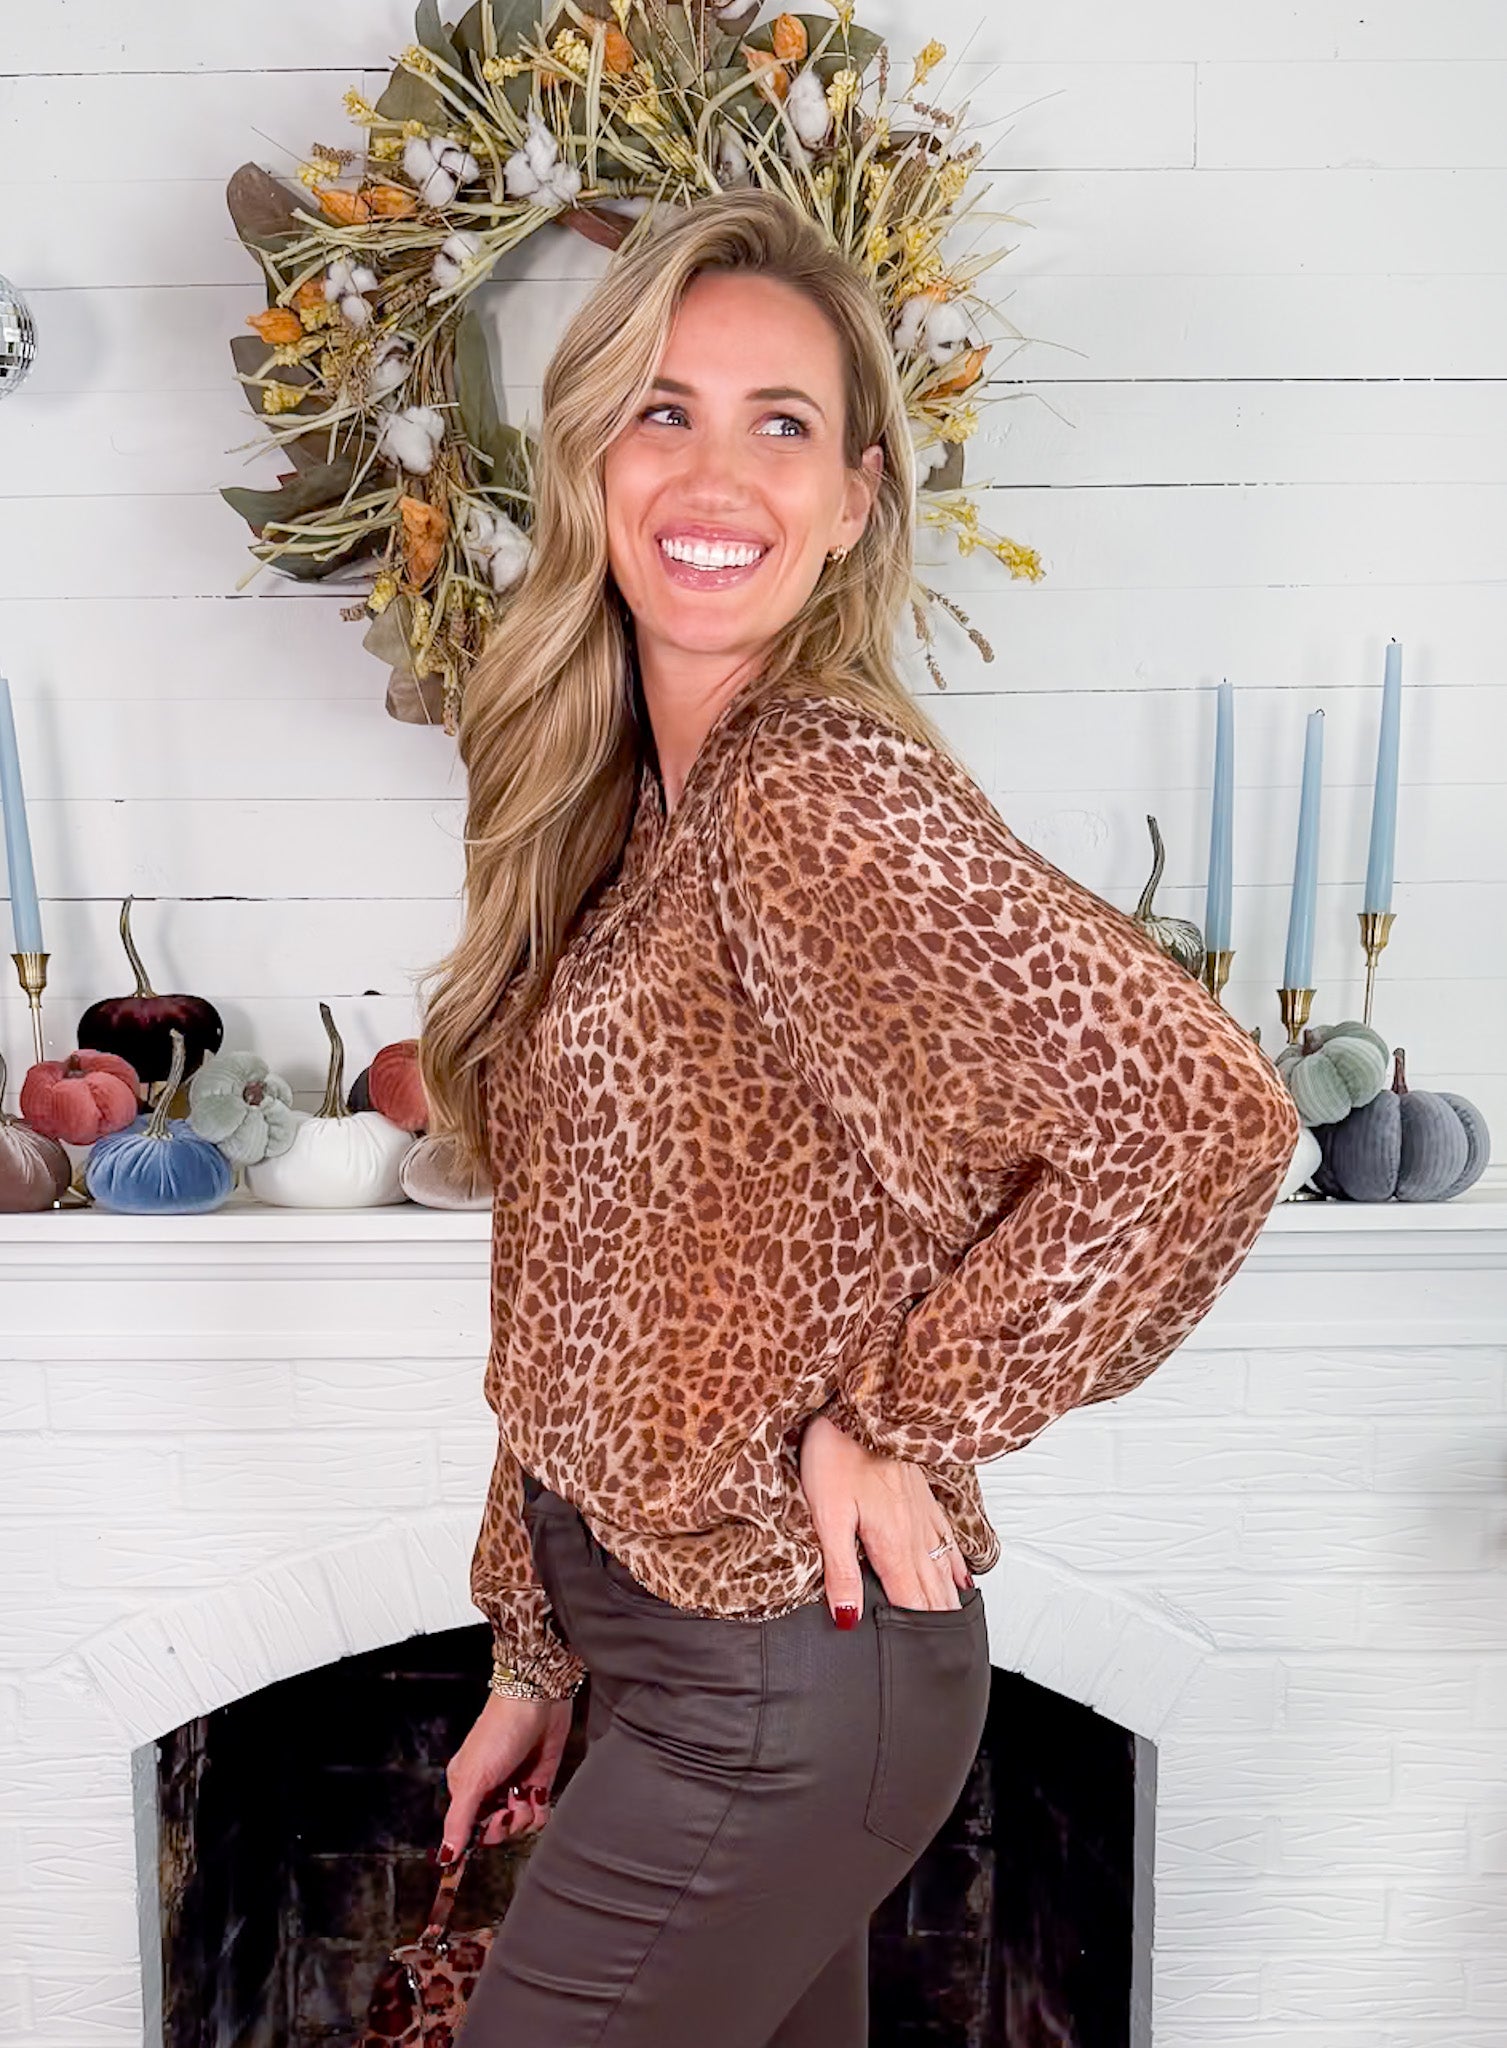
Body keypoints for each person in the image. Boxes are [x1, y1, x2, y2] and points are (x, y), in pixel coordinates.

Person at [414, 187, 1301, 2048]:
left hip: (775, 1685)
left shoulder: (809, 787)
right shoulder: (640, 822)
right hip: (689, 1662)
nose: (713, 473)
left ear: (860, 494)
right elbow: (594, 1292)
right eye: (664, 410)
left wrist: (906, 1417)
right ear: (589, 455)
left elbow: (1199, 1115)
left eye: (781, 424)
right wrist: (536, 1644)